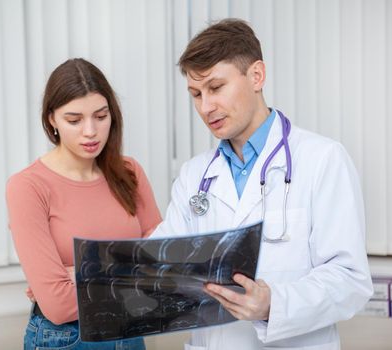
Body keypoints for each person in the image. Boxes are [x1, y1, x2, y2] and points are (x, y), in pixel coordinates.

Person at [151, 19, 373, 349]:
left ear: (256, 76)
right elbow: (162, 259)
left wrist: (273, 304)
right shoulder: (194, 175)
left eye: (215, 88)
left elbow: (349, 279)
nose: (205, 107)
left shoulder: (322, 159)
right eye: (196, 94)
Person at [6, 58, 162, 350]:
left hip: (129, 332)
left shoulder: (129, 172)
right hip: (67, 339)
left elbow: (164, 266)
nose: (90, 131)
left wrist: (83, 272)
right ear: (52, 119)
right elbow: (58, 305)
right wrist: (132, 270)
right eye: (74, 120)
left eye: (101, 116)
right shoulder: (27, 187)